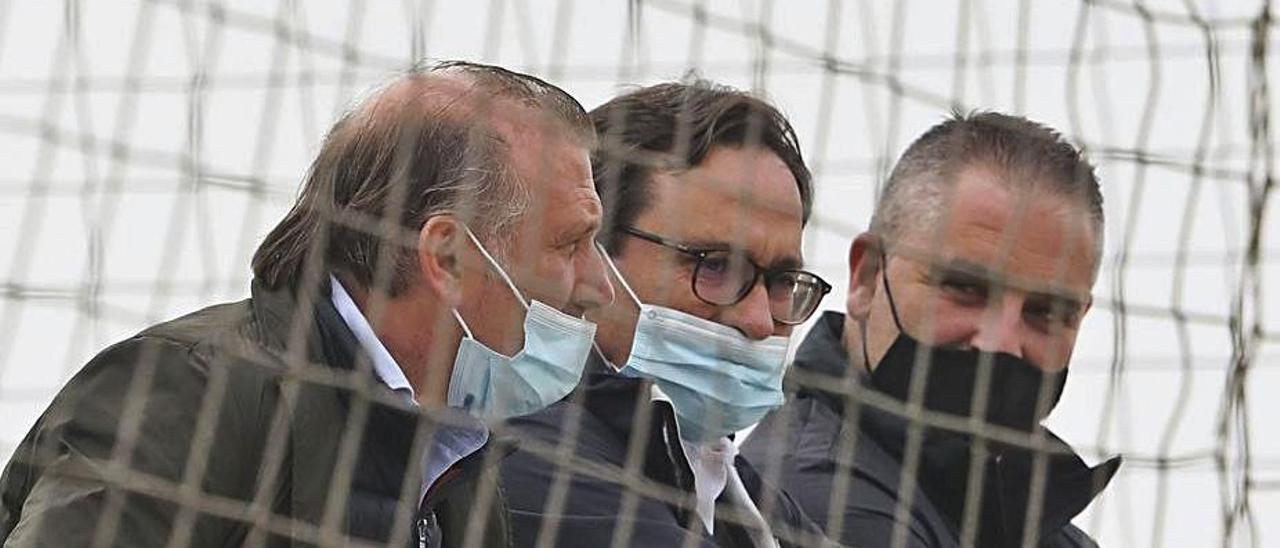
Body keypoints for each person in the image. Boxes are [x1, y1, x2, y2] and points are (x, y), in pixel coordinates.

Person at [0, 60, 614, 547]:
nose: (599, 288)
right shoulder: (194, 394)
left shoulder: (461, 466)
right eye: (570, 243)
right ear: (448, 257)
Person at [740, 111, 1122, 547]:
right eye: (964, 288)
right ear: (866, 277)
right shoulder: (821, 500)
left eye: (1046, 313)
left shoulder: (1030, 522)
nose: (1001, 343)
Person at [498, 80, 836, 548]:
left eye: (782, 281)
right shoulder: (517, 447)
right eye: (715, 265)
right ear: (589, 254)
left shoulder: (729, 482)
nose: (759, 321)